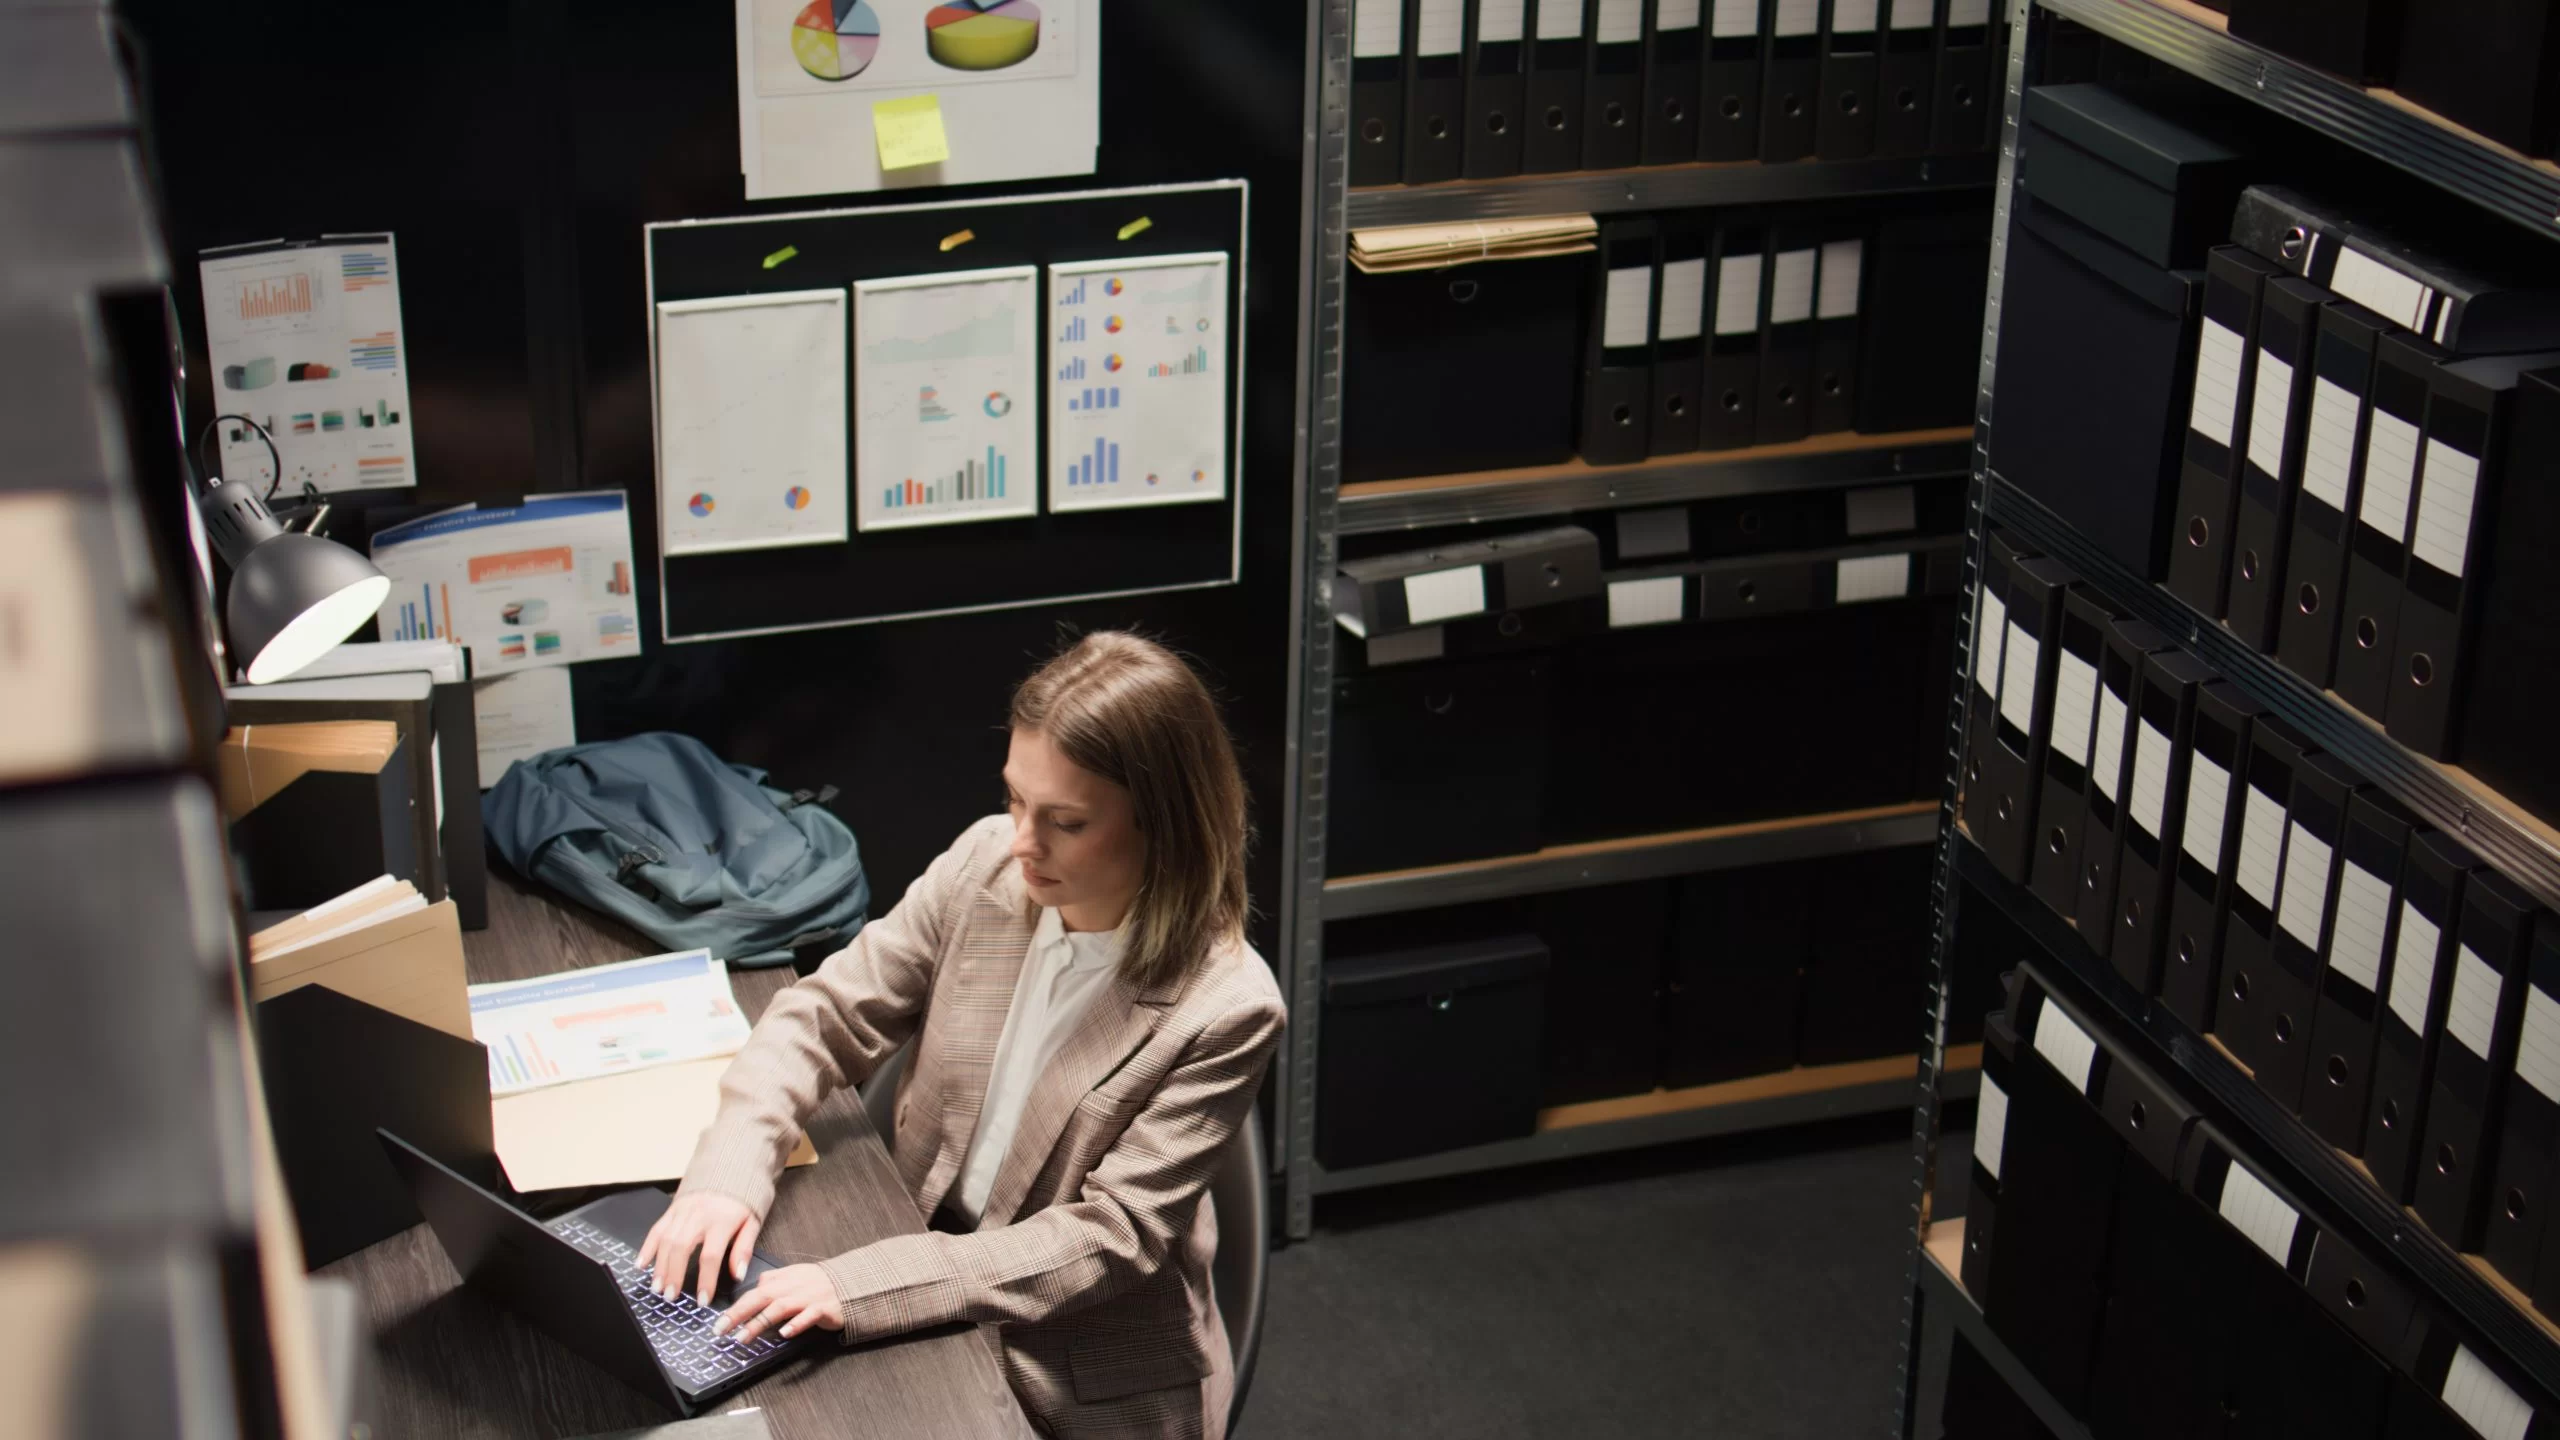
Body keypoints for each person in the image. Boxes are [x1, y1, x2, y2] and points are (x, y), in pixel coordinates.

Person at [638, 631, 1286, 1439]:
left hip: (1072, 1370)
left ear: (1166, 824)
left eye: (1067, 822)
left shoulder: (1226, 1007)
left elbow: (1109, 1240)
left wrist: (865, 1287)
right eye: (1016, 799)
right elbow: (822, 1013)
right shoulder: (986, 863)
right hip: (916, 1263)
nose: (1022, 842)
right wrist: (725, 1175)